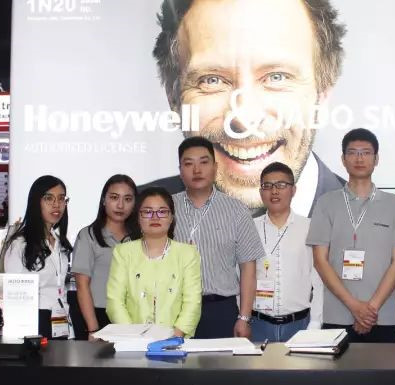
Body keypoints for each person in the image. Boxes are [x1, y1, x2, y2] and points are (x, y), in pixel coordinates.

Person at [145, 0, 347, 215]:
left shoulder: (374, 223)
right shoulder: (127, 221)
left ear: (322, 93)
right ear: (173, 98)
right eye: (212, 80)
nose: (244, 118)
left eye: (276, 77)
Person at [307, 129, 395, 343]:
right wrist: (355, 307)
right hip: (337, 314)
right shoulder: (326, 203)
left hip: (380, 316)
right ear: (343, 159)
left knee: (382, 367)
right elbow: (320, 261)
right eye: (353, 152)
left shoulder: (394, 204)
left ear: (376, 159)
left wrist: (370, 309)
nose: (359, 158)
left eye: (366, 152)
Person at [171, 137, 266, 338]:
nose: (197, 170)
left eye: (204, 162)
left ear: (215, 167)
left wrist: (244, 317)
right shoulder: (167, 209)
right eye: (189, 164)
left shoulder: (236, 210)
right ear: (180, 170)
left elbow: (248, 267)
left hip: (220, 309)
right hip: (174, 308)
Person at [105, 188, 202, 337]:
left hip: (176, 340)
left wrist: (175, 336)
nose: (155, 217)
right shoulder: (123, 252)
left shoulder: (187, 254)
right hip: (132, 341)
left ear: (171, 217)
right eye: (147, 212)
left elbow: (192, 302)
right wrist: (133, 337)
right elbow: (115, 301)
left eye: (162, 212)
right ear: (138, 218)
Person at [249, 162, 324, 342]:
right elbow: (240, 278)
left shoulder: (310, 228)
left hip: (300, 324)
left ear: (293, 190)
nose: (274, 191)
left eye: (281, 185)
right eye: (267, 186)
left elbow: (319, 281)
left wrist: (315, 323)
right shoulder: (250, 228)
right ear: (260, 192)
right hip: (257, 324)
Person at [0, 176, 74, 340]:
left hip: (60, 320)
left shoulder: (58, 241)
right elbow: (15, 296)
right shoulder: (20, 245)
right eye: (49, 198)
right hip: (34, 322)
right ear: (36, 202)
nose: (56, 204)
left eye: (61, 198)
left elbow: (60, 289)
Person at [72, 175, 137, 339]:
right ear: (103, 200)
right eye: (114, 197)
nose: (120, 205)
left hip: (133, 318)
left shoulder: (139, 238)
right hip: (97, 315)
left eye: (127, 199)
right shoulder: (88, 235)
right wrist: (93, 329)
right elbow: (82, 285)